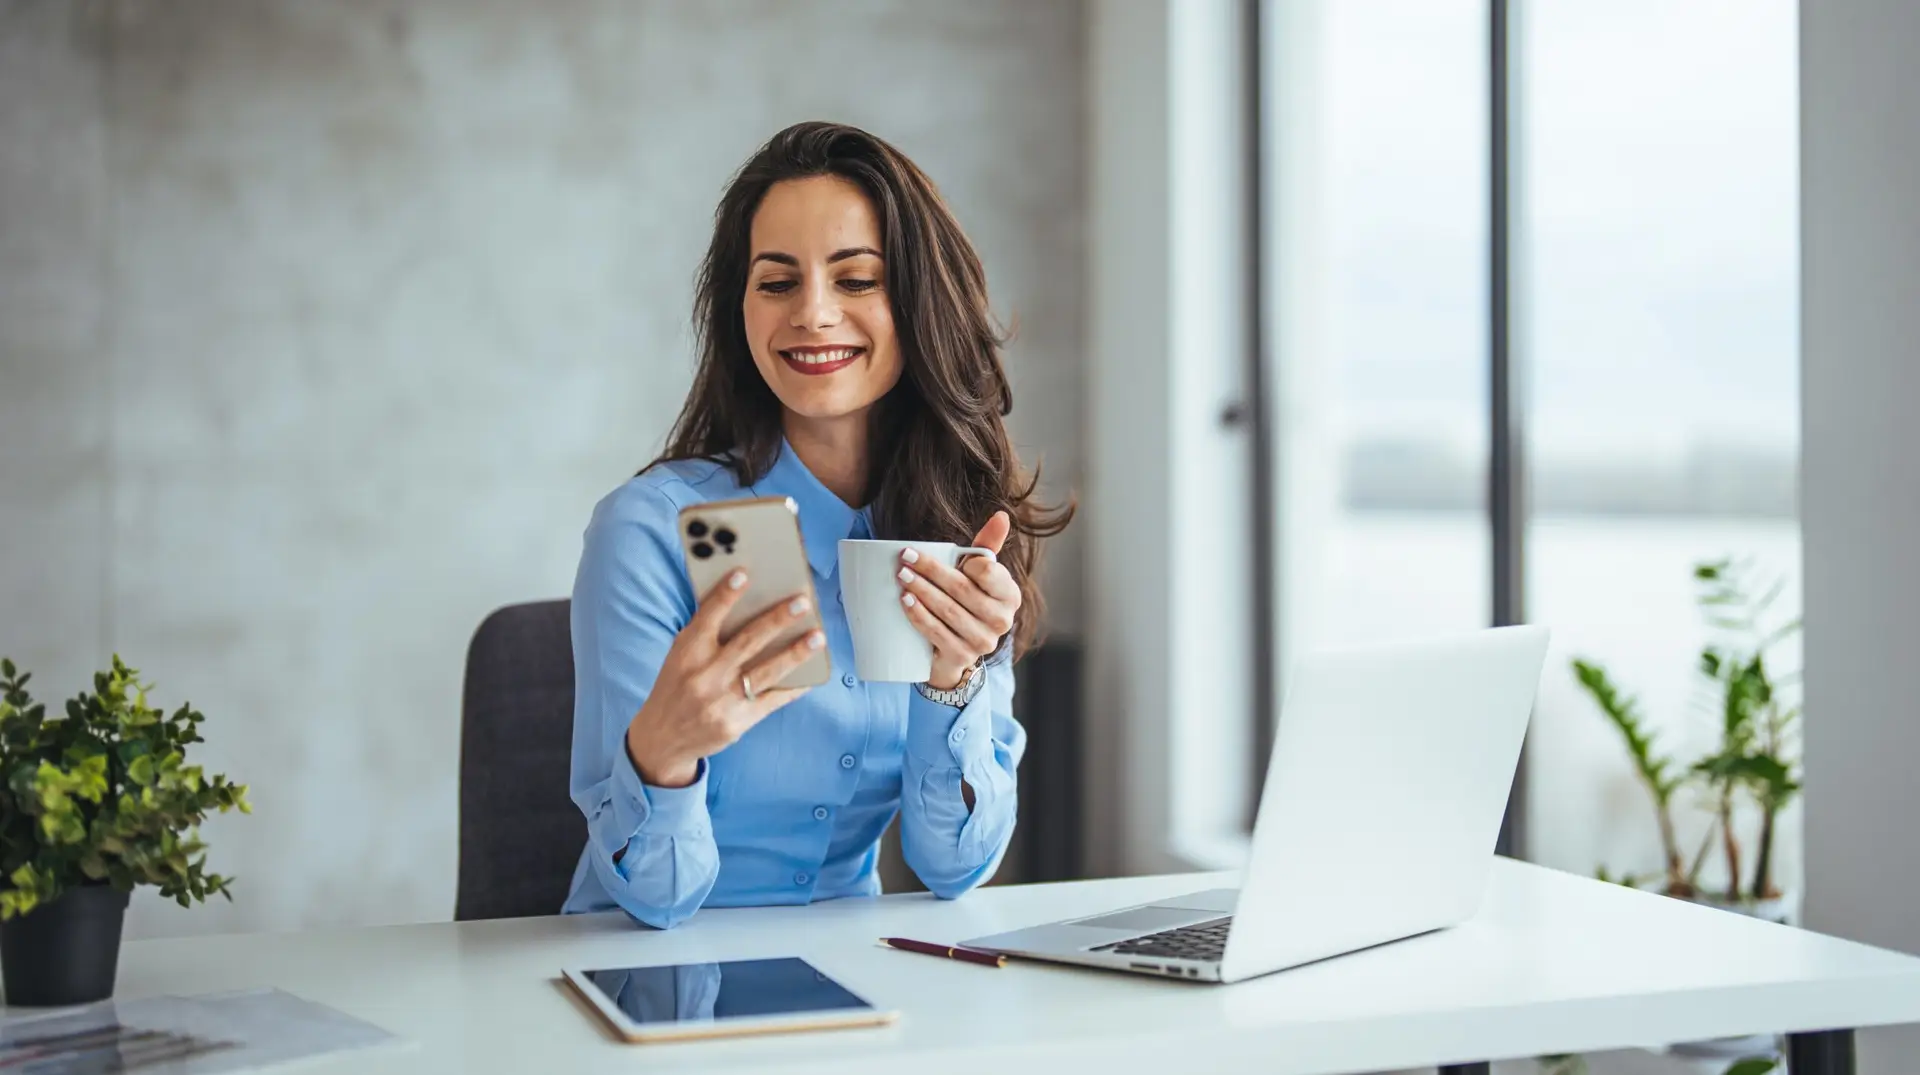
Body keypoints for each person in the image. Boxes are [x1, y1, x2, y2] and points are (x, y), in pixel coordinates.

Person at [563, 121, 1073, 928]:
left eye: (857, 279)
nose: (813, 312)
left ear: (917, 301)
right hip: (643, 970)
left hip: (848, 977)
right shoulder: (655, 529)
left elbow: (954, 867)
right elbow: (655, 901)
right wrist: (660, 756)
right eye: (776, 282)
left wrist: (955, 682)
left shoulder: (955, 530)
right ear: (741, 310)